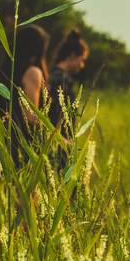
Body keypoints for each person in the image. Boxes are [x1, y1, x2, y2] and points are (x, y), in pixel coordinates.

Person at [0, 25, 49, 180]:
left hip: (4, 151)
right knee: (30, 203)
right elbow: (31, 119)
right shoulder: (33, 73)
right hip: (28, 152)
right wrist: (54, 132)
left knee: (9, 202)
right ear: (38, 49)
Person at [45, 29, 88, 172]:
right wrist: (65, 142)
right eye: (81, 60)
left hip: (53, 142)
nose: (82, 66)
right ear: (72, 55)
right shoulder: (62, 79)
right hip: (59, 146)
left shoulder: (51, 74)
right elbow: (55, 115)